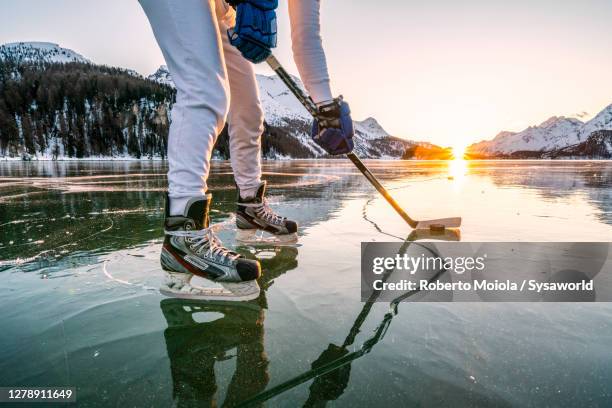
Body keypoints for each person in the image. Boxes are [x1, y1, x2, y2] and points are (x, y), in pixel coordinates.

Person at [139, 0, 355, 300]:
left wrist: (325, 105)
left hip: (220, 8)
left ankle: (250, 207)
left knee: (249, 111)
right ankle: (183, 236)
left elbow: (306, 36)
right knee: (204, 89)